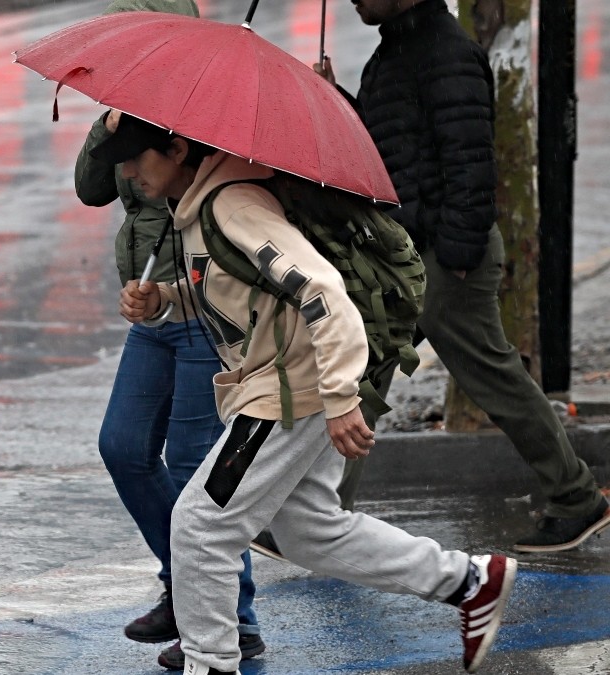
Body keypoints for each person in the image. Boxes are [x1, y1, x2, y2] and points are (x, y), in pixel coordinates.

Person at [98, 112, 517, 675]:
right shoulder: (197, 208)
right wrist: (167, 301)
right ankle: (469, 581)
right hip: (287, 386)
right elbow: (243, 294)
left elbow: (322, 289)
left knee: (200, 526)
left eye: (134, 156)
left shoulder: (232, 205)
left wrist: (342, 395)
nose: (127, 172)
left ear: (175, 149)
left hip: (289, 393)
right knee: (309, 531)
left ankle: (211, 664)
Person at [313, 0, 610, 553]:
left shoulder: (447, 54)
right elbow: (392, 152)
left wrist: (456, 258)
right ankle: (323, 517)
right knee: (363, 366)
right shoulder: (397, 48)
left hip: (445, 257)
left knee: (492, 378)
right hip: (415, 252)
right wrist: (338, 102)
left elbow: (472, 166)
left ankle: (576, 499)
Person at [72, 2, 263, 669]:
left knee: (193, 470)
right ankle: (186, 585)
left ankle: (232, 617)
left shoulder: (209, 113)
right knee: (123, 445)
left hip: (204, 312)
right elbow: (90, 186)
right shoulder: (126, 114)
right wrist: (110, 125)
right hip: (154, 308)